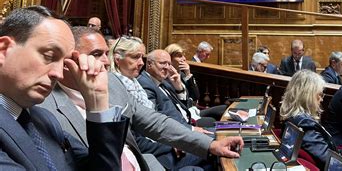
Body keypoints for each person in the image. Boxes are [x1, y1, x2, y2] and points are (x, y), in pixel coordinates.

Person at [40, 26, 244, 170]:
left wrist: (209, 144)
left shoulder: (112, 82)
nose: (106, 62)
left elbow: (155, 122)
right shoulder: (45, 107)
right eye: (96, 54)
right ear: (68, 60)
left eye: (105, 53)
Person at [0, 6, 127, 169]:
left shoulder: (45, 119)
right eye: (49, 56)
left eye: (64, 62)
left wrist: (97, 100)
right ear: (3, 50)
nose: (59, 74)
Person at [138, 49, 214, 169]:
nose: (167, 67)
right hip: (169, 149)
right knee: (215, 148)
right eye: (163, 63)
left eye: (169, 64)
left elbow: (182, 108)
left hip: (180, 134)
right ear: (149, 64)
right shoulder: (145, 85)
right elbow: (154, 124)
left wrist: (179, 88)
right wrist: (187, 133)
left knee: (219, 140)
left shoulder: (164, 82)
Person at [280, 70, 340, 170]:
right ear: (308, 95)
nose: (321, 99)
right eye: (320, 94)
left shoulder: (294, 117)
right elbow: (329, 162)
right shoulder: (305, 124)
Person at [165, 43, 227, 121]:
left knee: (224, 108)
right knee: (211, 120)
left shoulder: (183, 74)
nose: (184, 59)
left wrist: (188, 73)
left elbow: (195, 96)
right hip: (184, 114)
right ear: (169, 58)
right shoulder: (167, 77)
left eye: (183, 55)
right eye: (179, 56)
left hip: (192, 110)